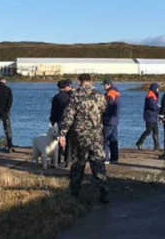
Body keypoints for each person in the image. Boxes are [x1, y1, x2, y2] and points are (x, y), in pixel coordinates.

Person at [59, 74, 108, 203]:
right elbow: (104, 109)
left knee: (78, 165)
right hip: (96, 134)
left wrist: (62, 132)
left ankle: (74, 193)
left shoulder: (75, 96)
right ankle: (103, 192)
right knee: (98, 163)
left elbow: (69, 115)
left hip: (80, 135)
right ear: (91, 81)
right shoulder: (98, 95)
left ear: (80, 81)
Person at [50, 79, 73, 166]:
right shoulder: (71, 96)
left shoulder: (56, 97)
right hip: (70, 121)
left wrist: (52, 120)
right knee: (69, 142)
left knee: (58, 141)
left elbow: (53, 111)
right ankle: (68, 161)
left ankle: (58, 160)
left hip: (60, 121)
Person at [135, 82, 161, 151]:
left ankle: (157, 146)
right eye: (158, 88)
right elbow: (152, 106)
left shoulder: (154, 95)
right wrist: (160, 108)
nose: (159, 89)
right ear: (155, 88)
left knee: (155, 131)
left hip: (154, 116)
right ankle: (139, 142)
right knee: (148, 130)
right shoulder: (150, 95)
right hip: (149, 116)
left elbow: (155, 105)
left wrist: (158, 107)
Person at [101, 78, 121, 164]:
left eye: (104, 85)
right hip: (115, 120)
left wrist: (102, 116)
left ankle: (106, 158)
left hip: (108, 120)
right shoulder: (116, 93)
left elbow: (107, 107)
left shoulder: (110, 94)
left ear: (108, 84)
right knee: (113, 139)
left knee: (104, 139)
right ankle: (114, 158)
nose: (103, 87)